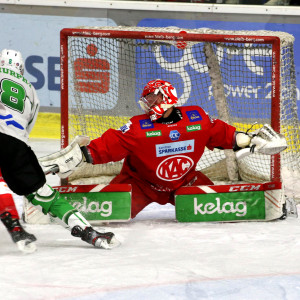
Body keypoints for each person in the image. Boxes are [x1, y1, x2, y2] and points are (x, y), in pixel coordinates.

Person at [0, 49, 119, 253]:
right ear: (21, 68)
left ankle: (13, 224)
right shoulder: (30, 89)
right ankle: (88, 232)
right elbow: (27, 128)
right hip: (16, 144)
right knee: (42, 194)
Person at [83, 79, 256, 218]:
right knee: (101, 215)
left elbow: (220, 133)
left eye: (152, 99)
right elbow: (111, 143)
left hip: (186, 182)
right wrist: (83, 154)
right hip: (140, 184)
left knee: (220, 212)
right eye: (146, 101)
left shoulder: (196, 118)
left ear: (166, 96)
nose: (149, 104)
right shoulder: (137, 128)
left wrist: (244, 139)